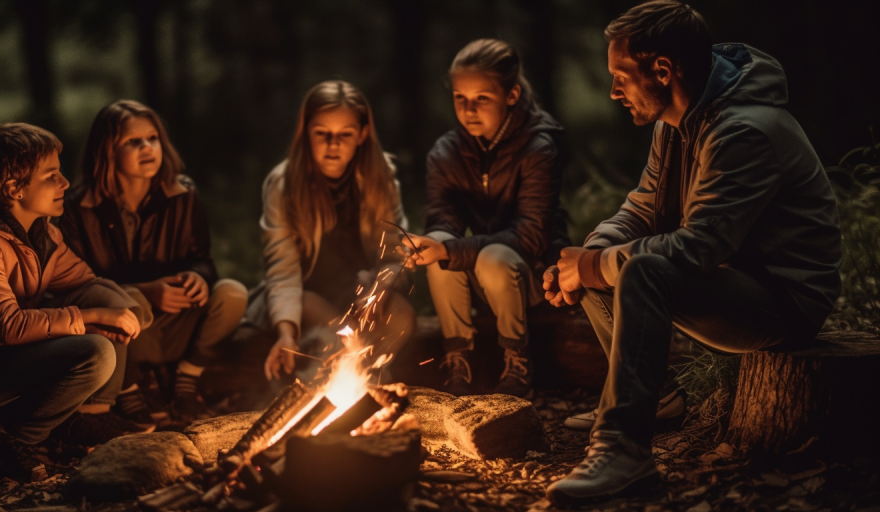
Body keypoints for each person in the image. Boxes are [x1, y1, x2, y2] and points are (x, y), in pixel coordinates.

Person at [544, 0, 842, 502]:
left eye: (621, 76)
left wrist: (595, 266)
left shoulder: (743, 131)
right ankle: (655, 399)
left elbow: (698, 248)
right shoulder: (675, 123)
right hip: (727, 280)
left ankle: (624, 452)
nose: (614, 90)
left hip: (783, 301)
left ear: (662, 71)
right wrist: (587, 255)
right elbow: (641, 208)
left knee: (636, 271)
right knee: (605, 260)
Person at [0, 123, 151, 479]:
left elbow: (84, 282)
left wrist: (129, 310)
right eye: (52, 175)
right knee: (97, 351)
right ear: (13, 189)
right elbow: (6, 325)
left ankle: (86, 417)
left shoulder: (41, 232)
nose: (65, 183)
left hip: (2, 352)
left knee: (116, 299)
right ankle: (7, 440)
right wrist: (95, 315)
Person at [61, 100, 248, 426]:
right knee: (125, 300)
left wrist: (197, 277)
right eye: (133, 142)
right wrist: (148, 290)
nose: (147, 148)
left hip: (176, 324)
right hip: (122, 335)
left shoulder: (183, 193)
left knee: (233, 293)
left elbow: (202, 259)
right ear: (107, 150)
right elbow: (79, 286)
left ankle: (187, 379)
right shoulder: (79, 206)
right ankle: (129, 388)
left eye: (153, 138)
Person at [404, 39, 569, 398]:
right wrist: (431, 245)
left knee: (488, 257)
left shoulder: (539, 146)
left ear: (511, 95)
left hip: (533, 274)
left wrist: (450, 251)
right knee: (440, 249)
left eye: (482, 98)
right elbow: (444, 222)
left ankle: (517, 361)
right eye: (460, 98)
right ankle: (458, 361)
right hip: (482, 273)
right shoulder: (447, 152)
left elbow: (531, 237)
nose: (469, 110)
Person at [250, 80, 415, 383]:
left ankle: (369, 373)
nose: (333, 144)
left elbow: (397, 256)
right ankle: (356, 377)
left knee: (403, 316)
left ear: (363, 135)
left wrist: (379, 285)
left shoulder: (381, 180)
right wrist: (285, 333)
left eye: (345, 134)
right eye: (322, 133)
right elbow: (282, 271)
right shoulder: (284, 185)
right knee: (331, 325)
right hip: (309, 298)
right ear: (306, 133)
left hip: (362, 298)